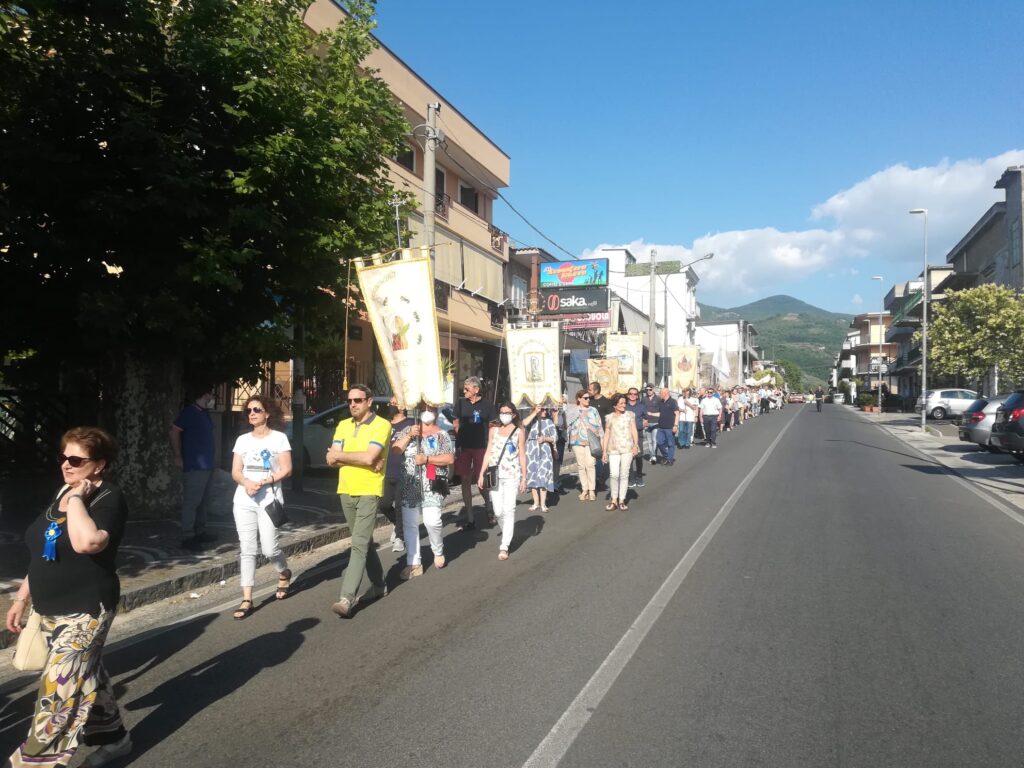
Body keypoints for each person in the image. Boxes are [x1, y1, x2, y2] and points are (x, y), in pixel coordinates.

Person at [5, 427, 132, 768]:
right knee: (87, 676)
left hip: (85, 611)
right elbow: (44, 550)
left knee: (57, 693)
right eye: (63, 457)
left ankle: (33, 764)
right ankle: (115, 738)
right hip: (48, 609)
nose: (66, 464)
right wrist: (21, 598)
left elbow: (86, 543)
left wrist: (77, 499)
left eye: (76, 459)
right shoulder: (62, 490)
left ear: (100, 464)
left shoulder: (109, 498)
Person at [327, 384, 391, 618]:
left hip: (368, 490)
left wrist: (343, 457)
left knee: (358, 543)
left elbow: (369, 457)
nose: (353, 404)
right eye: (350, 401)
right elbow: (330, 460)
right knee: (363, 541)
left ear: (369, 401)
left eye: (358, 400)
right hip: (345, 489)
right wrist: (359, 459)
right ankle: (380, 584)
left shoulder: (382, 425)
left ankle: (347, 597)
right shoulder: (343, 425)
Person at [229, 395, 293, 620]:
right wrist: (246, 483)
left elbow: (287, 469)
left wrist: (265, 482)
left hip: (269, 500)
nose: (252, 413)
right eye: (248, 411)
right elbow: (236, 471)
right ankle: (247, 598)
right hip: (244, 500)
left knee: (269, 549)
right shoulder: (242, 440)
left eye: (257, 409)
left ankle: (284, 572)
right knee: (247, 549)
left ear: (267, 413)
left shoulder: (279, 439)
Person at [392, 402, 454, 579]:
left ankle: (437, 548)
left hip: (432, 485)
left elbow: (449, 458)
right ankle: (414, 563)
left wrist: (427, 459)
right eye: (424, 409)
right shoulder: (409, 430)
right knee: (410, 525)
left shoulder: (441, 435)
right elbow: (395, 450)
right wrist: (409, 435)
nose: (427, 412)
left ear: (436, 411)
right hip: (410, 484)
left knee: (432, 521)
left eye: (431, 409)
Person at [169, 387, 218, 549]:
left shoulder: (204, 413)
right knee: (192, 502)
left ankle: (200, 531)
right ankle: (187, 536)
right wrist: (178, 455)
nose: (213, 398)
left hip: (207, 465)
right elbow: (174, 431)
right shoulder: (190, 412)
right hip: (194, 465)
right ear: (205, 394)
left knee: (203, 501)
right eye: (211, 394)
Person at [478, 402, 527, 560]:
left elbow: (521, 454)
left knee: (509, 509)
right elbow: (488, 452)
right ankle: (508, 531)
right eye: (501, 412)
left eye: (507, 412)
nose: (504, 415)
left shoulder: (519, 431)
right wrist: (481, 473)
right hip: (495, 474)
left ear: (513, 414)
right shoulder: (494, 430)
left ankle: (504, 545)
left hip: (512, 474)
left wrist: (524, 477)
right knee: (498, 511)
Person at [452, 376, 496, 531]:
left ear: (476, 389)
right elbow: (455, 420)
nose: (464, 391)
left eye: (467, 388)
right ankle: (470, 517)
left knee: (480, 480)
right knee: (464, 479)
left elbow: (492, 425)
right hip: (464, 447)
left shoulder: (488, 405)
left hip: (481, 447)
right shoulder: (461, 403)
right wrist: (458, 431)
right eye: (463, 388)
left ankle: (488, 506)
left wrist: (491, 444)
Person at [380, 399, 414, 555]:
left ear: (402, 406)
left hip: (404, 470)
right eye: (390, 402)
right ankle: (396, 523)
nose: (390, 405)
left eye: (394, 402)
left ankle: (400, 537)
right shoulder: (385, 425)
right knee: (384, 504)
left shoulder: (411, 423)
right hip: (386, 471)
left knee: (400, 505)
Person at [601, 395, 640, 510]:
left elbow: (634, 430)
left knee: (624, 474)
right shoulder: (609, 417)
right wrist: (604, 451)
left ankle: (621, 500)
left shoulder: (630, 415)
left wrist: (636, 445)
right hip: (613, 449)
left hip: (627, 448)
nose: (624, 405)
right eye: (621, 403)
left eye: (624, 403)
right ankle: (614, 500)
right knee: (613, 474)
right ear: (614, 405)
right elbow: (606, 434)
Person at [565, 390, 603, 501]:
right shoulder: (573, 410)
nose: (588, 400)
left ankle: (592, 490)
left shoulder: (593, 410)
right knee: (581, 466)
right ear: (579, 399)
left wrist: (602, 440)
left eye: (588, 398)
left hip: (591, 441)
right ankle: (584, 489)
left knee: (590, 464)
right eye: (585, 398)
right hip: (577, 441)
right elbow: (567, 425)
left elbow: (599, 425)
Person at [522, 404, 557, 512]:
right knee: (532, 476)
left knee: (543, 475)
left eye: (545, 409)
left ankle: (543, 504)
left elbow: (554, 437)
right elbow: (523, 424)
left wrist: (545, 438)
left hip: (545, 450)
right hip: (531, 451)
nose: (545, 411)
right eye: (542, 409)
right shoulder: (531, 421)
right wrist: (534, 413)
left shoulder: (549, 422)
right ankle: (535, 502)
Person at [624, 387, 646, 487]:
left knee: (639, 456)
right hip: (626, 435)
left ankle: (639, 477)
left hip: (639, 434)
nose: (633, 395)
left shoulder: (641, 406)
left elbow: (646, 418)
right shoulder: (624, 406)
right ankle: (631, 479)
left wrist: (643, 424)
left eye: (635, 394)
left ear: (637, 395)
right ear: (628, 395)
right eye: (631, 393)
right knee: (629, 457)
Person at [656, 387, 679, 465]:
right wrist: (650, 414)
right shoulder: (661, 402)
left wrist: (675, 425)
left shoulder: (673, 402)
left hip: (670, 427)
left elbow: (677, 414)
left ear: (665, 393)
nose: (659, 395)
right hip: (661, 427)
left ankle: (670, 459)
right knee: (659, 443)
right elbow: (660, 413)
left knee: (670, 444)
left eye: (660, 393)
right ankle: (666, 456)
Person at [641, 384, 661, 463]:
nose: (648, 391)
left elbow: (661, 411)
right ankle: (652, 456)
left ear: (653, 390)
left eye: (650, 389)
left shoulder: (658, 399)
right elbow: (641, 411)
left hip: (656, 422)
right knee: (649, 441)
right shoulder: (643, 399)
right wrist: (643, 420)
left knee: (654, 440)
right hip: (647, 423)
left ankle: (653, 456)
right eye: (647, 390)